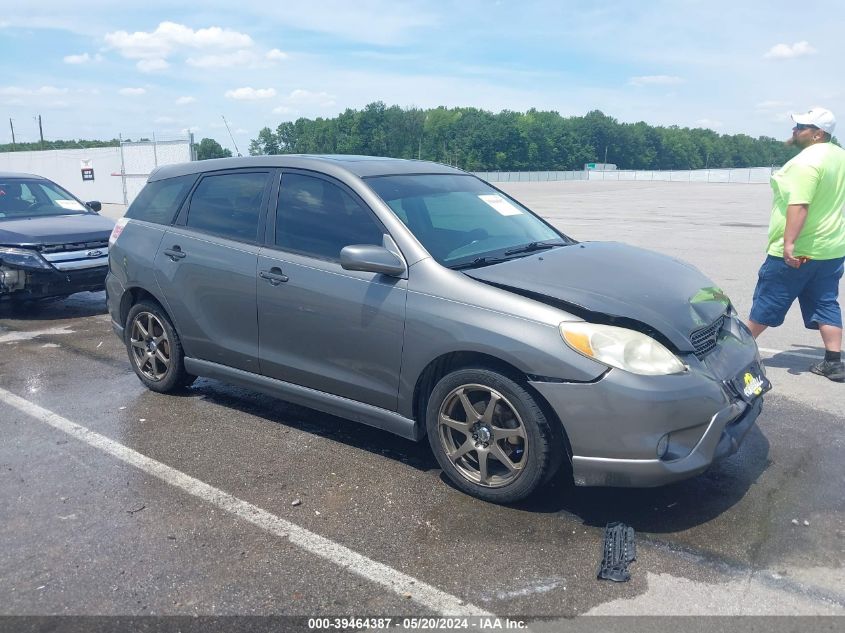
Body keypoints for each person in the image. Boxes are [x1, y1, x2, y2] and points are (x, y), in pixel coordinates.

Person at [748, 107, 845, 382]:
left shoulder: (806, 162)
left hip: (799, 250)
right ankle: (834, 362)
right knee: (826, 302)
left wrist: (788, 244)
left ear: (818, 134)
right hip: (831, 249)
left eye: (801, 126)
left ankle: (734, 354)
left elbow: (799, 205)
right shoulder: (840, 156)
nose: (794, 130)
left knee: (768, 300)